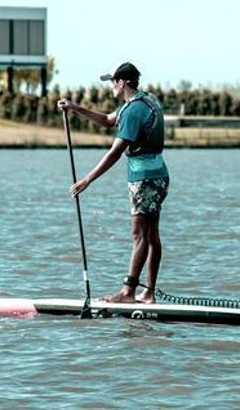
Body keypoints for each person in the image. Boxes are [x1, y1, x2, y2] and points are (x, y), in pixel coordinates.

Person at [58, 62, 170, 304]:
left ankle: (128, 293)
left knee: (139, 235)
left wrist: (87, 180)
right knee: (151, 235)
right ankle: (148, 293)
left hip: (144, 178)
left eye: (112, 82)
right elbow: (108, 120)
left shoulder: (133, 111)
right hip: (159, 174)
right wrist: (75, 108)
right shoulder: (146, 101)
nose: (110, 86)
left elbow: (115, 152)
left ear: (122, 82)